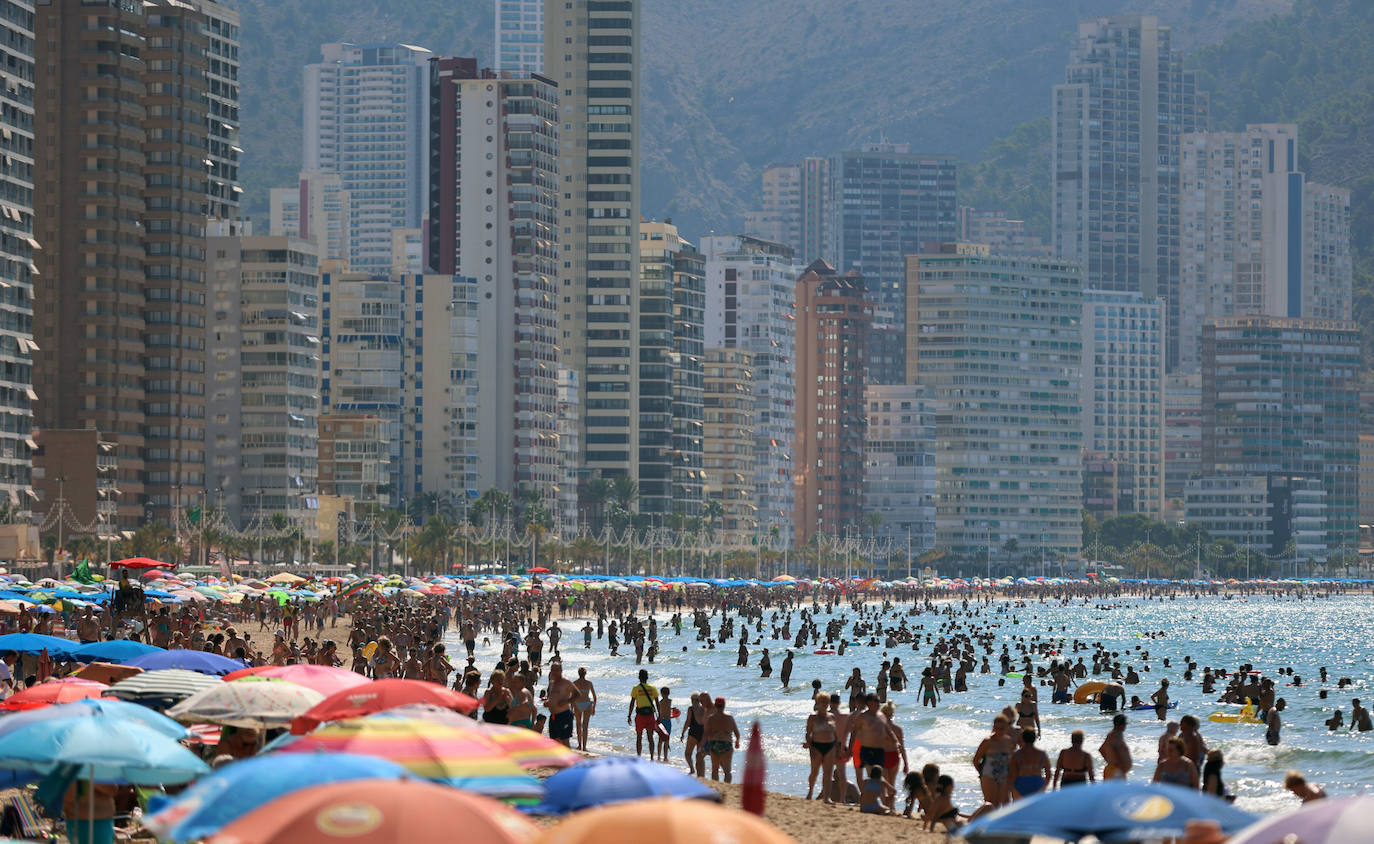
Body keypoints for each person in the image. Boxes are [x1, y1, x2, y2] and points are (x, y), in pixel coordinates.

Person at [972, 714, 1015, 806]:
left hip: (1003, 775)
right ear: (993, 727)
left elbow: (1011, 760)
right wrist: (982, 773)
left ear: (1007, 727)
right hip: (988, 775)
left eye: (1002, 728)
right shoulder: (987, 741)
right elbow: (976, 760)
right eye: (997, 728)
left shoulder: (1008, 741)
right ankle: (983, 820)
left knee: (1003, 803)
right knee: (990, 804)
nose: (999, 730)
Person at [804, 692, 838, 803]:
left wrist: (838, 747)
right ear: (817, 703)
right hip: (816, 746)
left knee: (828, 773)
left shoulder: (832, 716)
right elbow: (808, 734)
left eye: (826, 702)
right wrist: (810, 746)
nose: (824, 704)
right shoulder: (813, 717)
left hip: (830, 746)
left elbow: (836, 734)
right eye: (822, 702)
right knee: (815, 771)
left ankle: (827, 797)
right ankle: (810, 792)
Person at [627, 668, 668, 757]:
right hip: (650, 716)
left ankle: (639, 757)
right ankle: (652, 758)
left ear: (639, 677)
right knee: (650, 738)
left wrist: (629, 715)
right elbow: (657, 703)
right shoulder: (652, 688)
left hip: (640, 716)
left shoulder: (636, 688)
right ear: (647, 677)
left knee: (639, 737)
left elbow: (632, 703)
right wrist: (660, 715)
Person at [703, 696, 740, 782]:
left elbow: (706, 733)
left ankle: (716, 787)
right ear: (724, 706)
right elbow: (737, 733)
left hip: (714, 743)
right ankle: (727, 787)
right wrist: (737, 742)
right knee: (727, 771)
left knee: (715, 769)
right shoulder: (729, 718)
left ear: (715, 705)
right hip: (726, 743)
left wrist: (703, 745)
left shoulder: (711, 718)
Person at [1009, 730, 1051, 799]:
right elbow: (1048, 774)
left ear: (1022, 738)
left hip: (1021, 784)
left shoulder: (1017, 754)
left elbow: (1011, 775)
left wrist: (1012, 788)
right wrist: (1044, 787)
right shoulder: (1041, 754)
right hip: (1037, 783)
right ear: (1034, 738)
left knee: (1021, 808)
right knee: (1036, 809)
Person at [544, 662, 577, 747]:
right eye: (552, 670)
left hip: (564, 715)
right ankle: (558, 759)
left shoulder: (566, 682)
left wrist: (566, 701)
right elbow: (552, 696)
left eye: (556, 670)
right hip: (553, 716)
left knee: (565, 741)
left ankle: (568, 760)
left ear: (561, 671)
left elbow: (577, 694)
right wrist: (548, 702)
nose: (554, 672)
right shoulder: (552, 683)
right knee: (554, 741)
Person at [1100, 713, 1133, 780]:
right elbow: (1115, 749)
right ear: (1121, 724)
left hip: (1113, 769)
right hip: (1116, 771)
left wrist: (1110, 761)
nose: (1125, 726)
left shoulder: (1113, 734)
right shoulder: (1116, 735)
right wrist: (1119, 765)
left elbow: (1101, 749)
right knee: (1118, 790)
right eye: (1125, 724)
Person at [572, 667, 597, 751]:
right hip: (587, 704)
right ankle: (584, 747)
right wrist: (594, 708)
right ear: (585, 674)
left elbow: (572, 697)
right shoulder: (589, 683)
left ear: (578, 673)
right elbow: (594, 697)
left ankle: (579, 745)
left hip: (577, 704)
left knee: (578, 725)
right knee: (585, 726)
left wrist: (571, 709)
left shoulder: (575, 683)